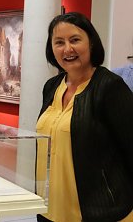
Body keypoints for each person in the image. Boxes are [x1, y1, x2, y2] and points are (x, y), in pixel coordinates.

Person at [36, 12, 133, 222]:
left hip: (101, 211)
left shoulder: (110, 87)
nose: (67, 49)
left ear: (91, 44)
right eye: (59, 42)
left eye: (75, 40)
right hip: (50, 208)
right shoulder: (52, 86)